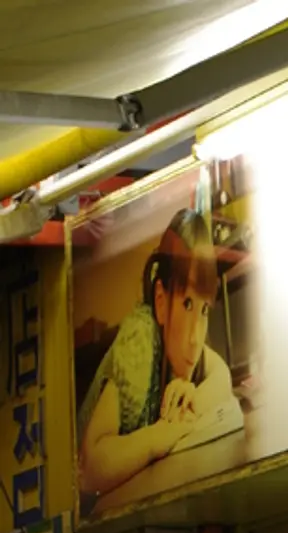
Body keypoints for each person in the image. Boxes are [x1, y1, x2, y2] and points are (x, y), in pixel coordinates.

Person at [78, 209, 233, 497]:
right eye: (187, 304)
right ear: (161, 301)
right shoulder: (141, 338)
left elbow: (222, 375)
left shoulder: (183, 345)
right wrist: (162, 434)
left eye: (204, 310)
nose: (195, 338)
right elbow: (89, 470)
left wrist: (191, 402)